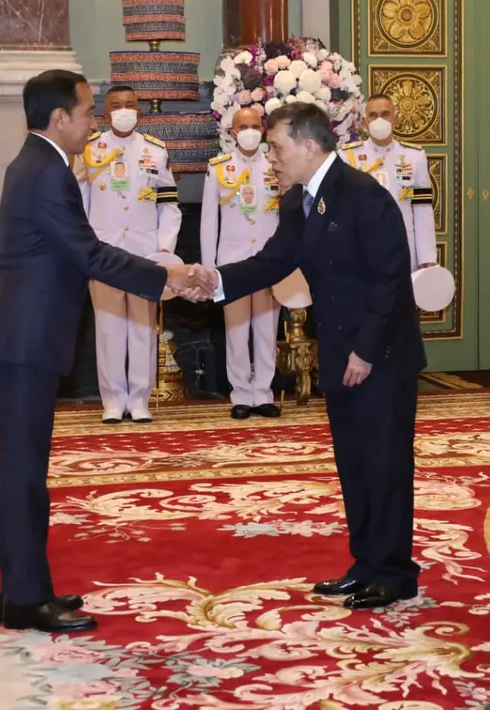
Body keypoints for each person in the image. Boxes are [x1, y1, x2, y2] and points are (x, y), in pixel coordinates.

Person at [0, 69, 196, 633]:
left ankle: (26, 589)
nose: (94, 121)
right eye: (87, 111)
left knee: (28, 471)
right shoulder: (47, 171)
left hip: (26, 336)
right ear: (60, 118)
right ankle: (24, 599)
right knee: (24, 473)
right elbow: (88, 253)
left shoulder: (39, 163)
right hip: (25, 339)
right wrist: (161, 277)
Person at [187, 103, 426, 609]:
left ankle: (395, 572)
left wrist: (364, 350)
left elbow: (390, 282)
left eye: (277, 146)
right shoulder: (298, 204)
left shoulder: (365, 196)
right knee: (354, 463)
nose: (270, 156)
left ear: (310, 146)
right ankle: (365, 565)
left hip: (379, 355)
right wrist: (216, 284)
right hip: (340, 354)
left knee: (384, 464)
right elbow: (271, 262)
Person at [78, 85, 181, 424]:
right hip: (103, 252)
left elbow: (168, 205)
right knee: (108, 328)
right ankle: (112, 399)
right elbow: (79, 205)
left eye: (130, 105)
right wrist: (87, 247)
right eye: (117, 105)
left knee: (141, 325)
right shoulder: (89, 150)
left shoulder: (155, 149)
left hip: (144, 252)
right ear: (104, 114)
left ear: (139, 111)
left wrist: (164, 247)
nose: (124, 110)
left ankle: (139, 398)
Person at [200, 107, 283, 419]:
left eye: (253, 125)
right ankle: (240, 395)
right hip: (231, 263)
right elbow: (209, 221)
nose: (248, 131)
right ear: (232, 132)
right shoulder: (219, 168)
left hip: (268, 261)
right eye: (242, 126)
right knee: (235, 330)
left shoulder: (276, 164)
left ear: (262, 129)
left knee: (266, 329)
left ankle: (263, 392)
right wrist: (210, 268)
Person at [338, 94, 437, 271]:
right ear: (365, 121)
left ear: (395, 119)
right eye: (373, 115)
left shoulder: (414, 156)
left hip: (403, 247)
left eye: (385, 114)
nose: (379, 120)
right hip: (360, 249)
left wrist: (427, 257)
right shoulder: (347, 157)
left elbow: (422, 209)